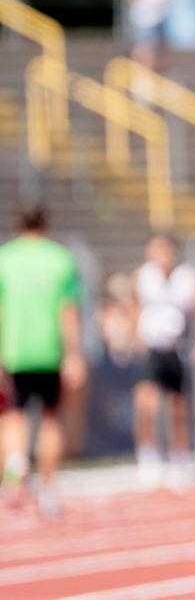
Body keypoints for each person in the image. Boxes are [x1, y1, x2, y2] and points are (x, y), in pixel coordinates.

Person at [0, 207, 86, 518]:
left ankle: (14, 472)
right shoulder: (60, 259)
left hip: (13, 351)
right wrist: (74, 354)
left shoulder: (4, 259)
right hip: (50, 352)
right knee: (51, 418)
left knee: (12, 416)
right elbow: (68, 312)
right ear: (46, 226)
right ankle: (47, 489)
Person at [131, 234, 195, 489]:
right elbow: (134, 306)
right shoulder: (144, 276)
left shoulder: (187, 279)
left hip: (176, 349)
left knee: (178, 409)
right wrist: (135, 335)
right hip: (152, 349)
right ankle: (148, 458)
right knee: (145, 405)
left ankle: (181, 457)